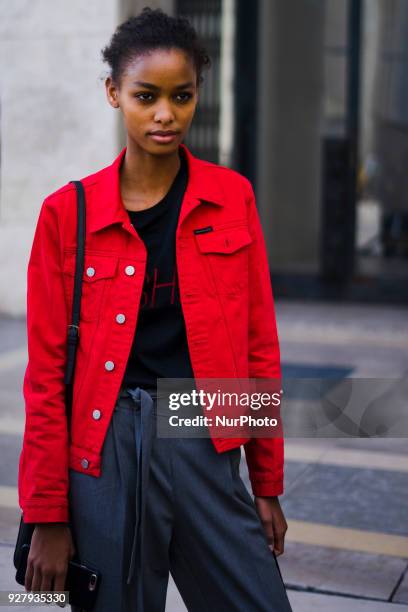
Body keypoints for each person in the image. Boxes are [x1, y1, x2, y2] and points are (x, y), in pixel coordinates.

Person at [18, 7, 293, 612]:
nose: (166, 114)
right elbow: (45, 375)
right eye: (146, 96)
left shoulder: (232, 198)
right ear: (114, 92)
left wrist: (267, 483)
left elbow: (257, 346)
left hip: (201, 425)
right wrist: (46, 515)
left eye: (182, 95)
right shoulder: (68, 213)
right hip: (105, 437)